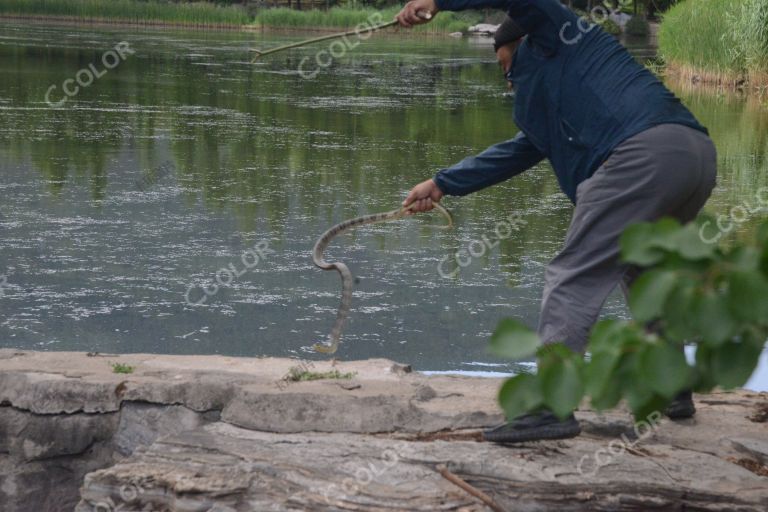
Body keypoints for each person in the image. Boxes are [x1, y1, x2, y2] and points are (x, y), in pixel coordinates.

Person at [396, 0, 717, 443]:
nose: (509, 83)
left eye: (508, 67)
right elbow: (520, 151)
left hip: (639, 154)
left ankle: (550, 406)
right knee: (646, 270)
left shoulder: (558, 32)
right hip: (692, 154)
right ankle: (671, 388)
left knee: (572, 275)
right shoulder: (550, 98)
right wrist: (442, 183)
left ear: (528, 41)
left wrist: (438, 3)